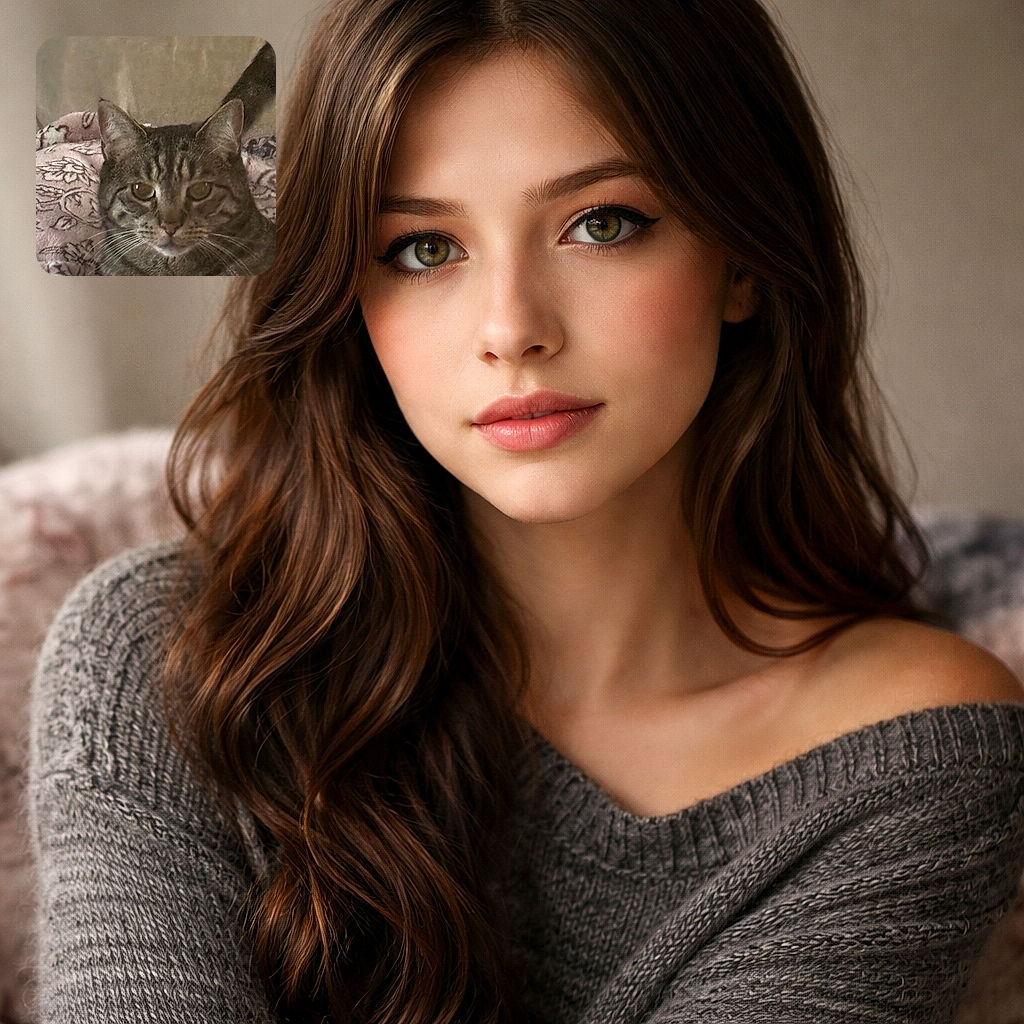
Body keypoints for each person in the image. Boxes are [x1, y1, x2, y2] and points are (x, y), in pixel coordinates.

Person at [29, 0, 1024, 1021]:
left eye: (602, 223)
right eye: (421, 248)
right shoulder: (167, 665)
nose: (512, 329)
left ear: (743, 258)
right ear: (343, 294)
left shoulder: (907, 747)